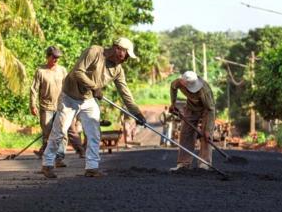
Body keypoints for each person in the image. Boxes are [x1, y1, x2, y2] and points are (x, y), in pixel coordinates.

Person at [41, 37, 146, 178]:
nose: (126, 59)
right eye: (126, 54)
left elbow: (125, 93)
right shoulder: (94, 52)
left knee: (94, 134)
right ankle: (47, 164)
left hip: (88, 100)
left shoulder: (118, 70)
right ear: (118, 49)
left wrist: (137, 113)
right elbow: (77, 72)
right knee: (60, 131)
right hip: (70, 97)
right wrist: (94, 87)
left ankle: (92, 167)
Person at [30, 46, 84, 167]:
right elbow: (34, 89)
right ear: (48, 56)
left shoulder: (62, 70)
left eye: (57, 57)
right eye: (53, 57)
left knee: (63, 132)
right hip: (46, 107)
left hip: (62, 106)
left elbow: (69, 86)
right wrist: (33, 105)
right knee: (48, 134)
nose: (56, 60)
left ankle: (59, 158)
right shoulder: (40, 71)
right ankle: (47, 158)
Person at [169, 71, 215, 171]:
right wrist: (173, 103)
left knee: (206, 137)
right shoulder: (178, 82)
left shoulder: (204, 90)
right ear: (183, 82)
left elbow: (210, 110)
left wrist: (208, 129)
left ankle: (204, 164)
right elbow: (173, 88)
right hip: (191, 107)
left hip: (206, 110)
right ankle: (183, 164)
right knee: (186, 133)